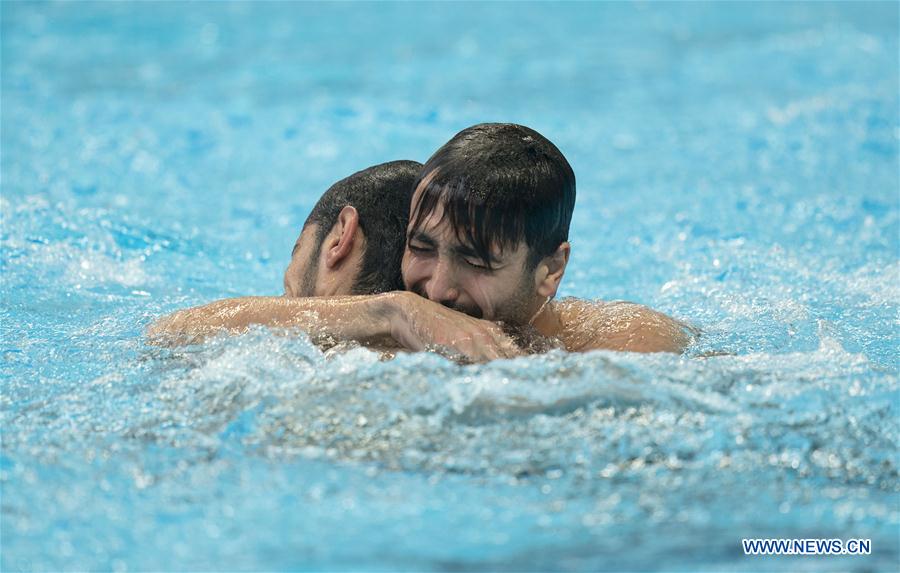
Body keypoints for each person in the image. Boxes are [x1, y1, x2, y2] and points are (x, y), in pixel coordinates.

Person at [149, 124, 689, 360]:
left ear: (550, 270)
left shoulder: (623, 342)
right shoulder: (398, 328)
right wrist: (388, 310)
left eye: (476, 261)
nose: (438, 289)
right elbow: (170, 333)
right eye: (423, 249)